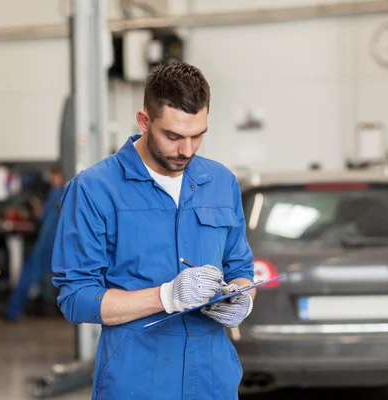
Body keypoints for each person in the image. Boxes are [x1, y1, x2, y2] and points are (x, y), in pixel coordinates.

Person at [51, 62, 256, 399]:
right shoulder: (94, 189)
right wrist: (166, 296)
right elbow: (76, 298)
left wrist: (243, 297)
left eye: (197, 135)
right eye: (173, 136)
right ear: (144, 121)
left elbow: (241, 269)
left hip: (213, 378)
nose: (187, 150)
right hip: (137, 379)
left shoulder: (221, 183)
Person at [4, 164, 64, 321]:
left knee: (28, 274)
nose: (51, 179)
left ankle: (12, 311)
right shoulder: (66, 193)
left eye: (53, 176)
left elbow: (43, 217)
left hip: (47, 243)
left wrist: (36, 207)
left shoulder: (56, 193)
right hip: (58, 243)